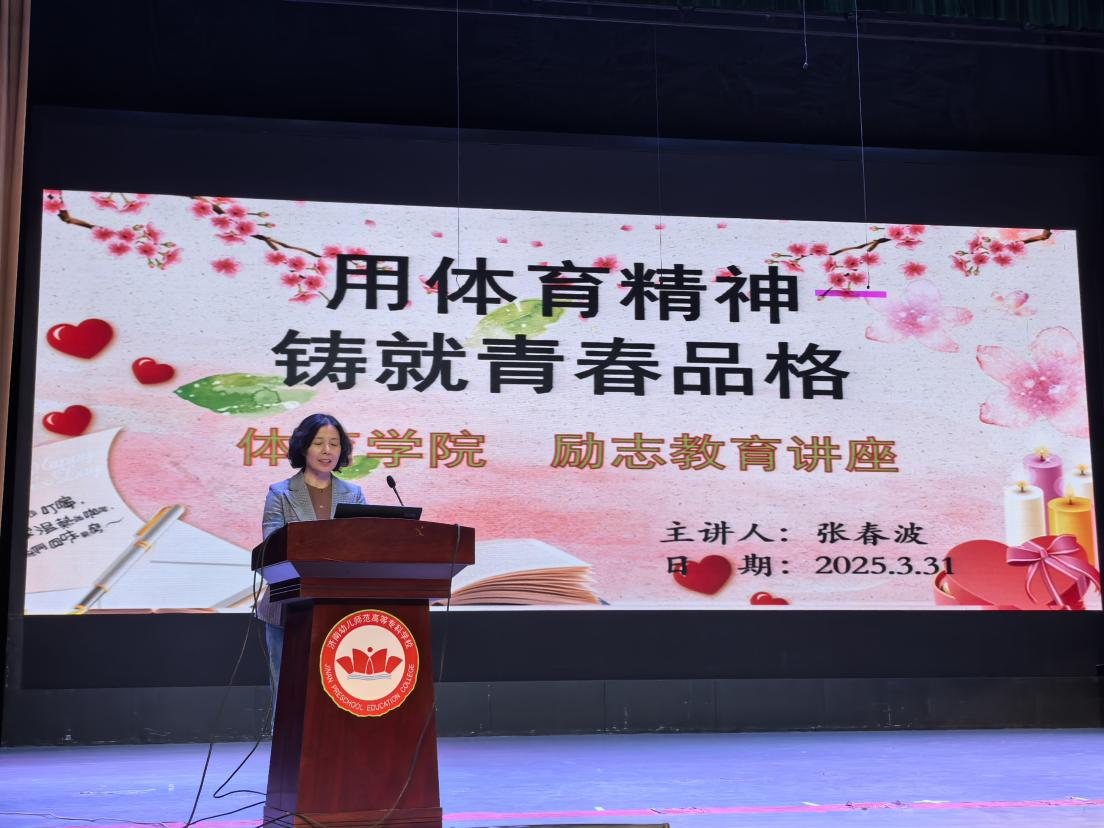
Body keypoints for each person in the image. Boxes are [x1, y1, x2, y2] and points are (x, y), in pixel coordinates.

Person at [257, 413, 368, 710]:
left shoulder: (354, 494)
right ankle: (283, 738)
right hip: (287, 607)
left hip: (339, 608)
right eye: (319, 443)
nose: (327, 450)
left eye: (334, 443)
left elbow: (364, 547)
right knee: (288, 693)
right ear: (304, 447)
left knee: (334, 694)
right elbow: (271, 548)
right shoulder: (280, 493)